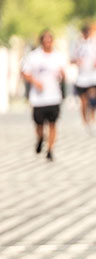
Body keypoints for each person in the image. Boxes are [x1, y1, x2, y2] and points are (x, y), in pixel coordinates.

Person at [21, 29, 67, 162]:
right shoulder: (34, 56)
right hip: (38, 98)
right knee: (39, 125)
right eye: (45, 40)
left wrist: (62, 75)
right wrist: (35, 82)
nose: (48, 42)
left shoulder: (57, 56)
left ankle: (50, 150)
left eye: (50, 40)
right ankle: (40, 138)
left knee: (53, 124)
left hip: (53, 96)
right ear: (41, 41)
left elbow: (63, 72)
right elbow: (25, 72)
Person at [72, 24, 96, 130]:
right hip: (82, 77)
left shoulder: (95, 44)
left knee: (92, 98)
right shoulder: (78, 44)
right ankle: (84, 120)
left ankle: (92, 117)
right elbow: (71, 59)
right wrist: (77, 61)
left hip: (93, 76)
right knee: (83, 101)